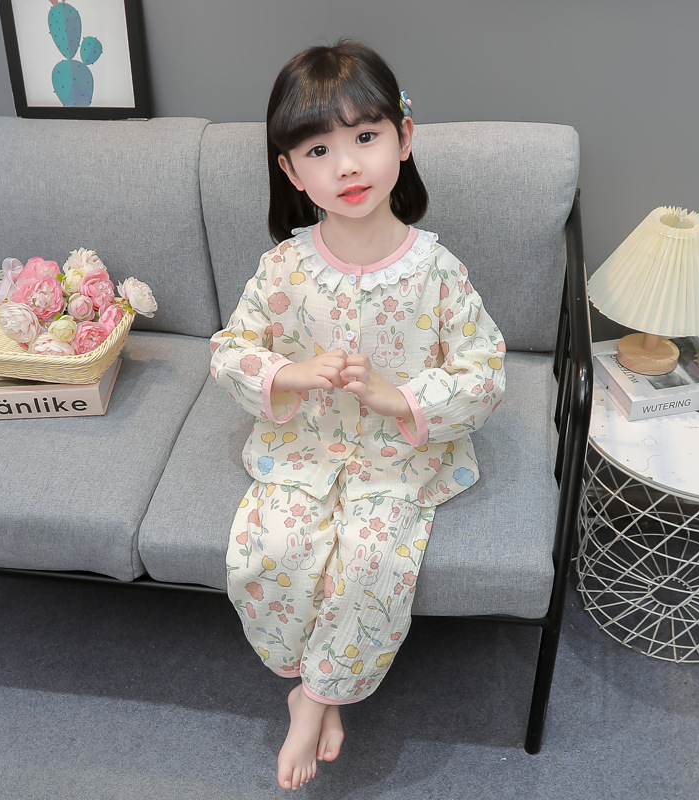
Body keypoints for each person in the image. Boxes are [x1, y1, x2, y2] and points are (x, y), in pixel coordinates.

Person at [210, 39, 507, 791]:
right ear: (290, 170)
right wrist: (291, 373)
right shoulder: (283, 267)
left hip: (398, 461)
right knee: (268, 550)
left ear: (404, 139)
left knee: (374, 562)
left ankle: (312, 703)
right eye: (319, 149)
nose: (346, 166)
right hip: (304, 449)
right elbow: (230, 350)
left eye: (365, 137)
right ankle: (315, 685)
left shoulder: (438, 271)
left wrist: (395, 396)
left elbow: (484, 370)